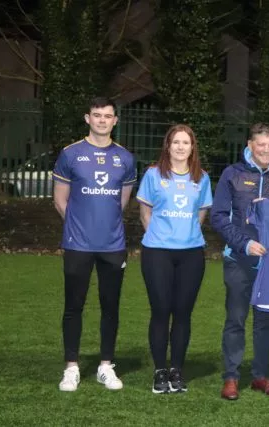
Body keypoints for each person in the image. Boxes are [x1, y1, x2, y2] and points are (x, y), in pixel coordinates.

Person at [53, 96, 136, 392]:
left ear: (115, 120)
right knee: (73, 305)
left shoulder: (125, 159)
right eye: (97, 115)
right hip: (77, 244)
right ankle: (71, 368)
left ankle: (105, 366)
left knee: (110, 306)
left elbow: (121, 203)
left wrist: (102, 226)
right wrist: (80, 226)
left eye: (108, 116)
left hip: (112, 245)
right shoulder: (70, 154)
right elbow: (61, 200)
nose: (102, 120)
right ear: (87, 118)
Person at [211, 122, 269, 400]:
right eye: (261, 145)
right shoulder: (232, 174)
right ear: (250, 145)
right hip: (238, 259)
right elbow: (219, 216)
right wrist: (244, 243)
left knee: (265, 323)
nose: (267, 150)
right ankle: (231, 377)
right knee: (236, 319)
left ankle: (260, 375)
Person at [136, 124, 212, 394]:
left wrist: (184, 237)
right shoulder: (153, 175)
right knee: (161, 311)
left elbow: (200, 215)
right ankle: (159, 371)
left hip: (191, 253)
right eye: (176, 142)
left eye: (186, 143)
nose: (181, 147)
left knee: (183, 313)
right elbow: (145, 212)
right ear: (167, 146)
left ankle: (177, 370)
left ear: (192, 148)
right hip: (157, 252)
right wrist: (160, 237)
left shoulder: (201, 178)